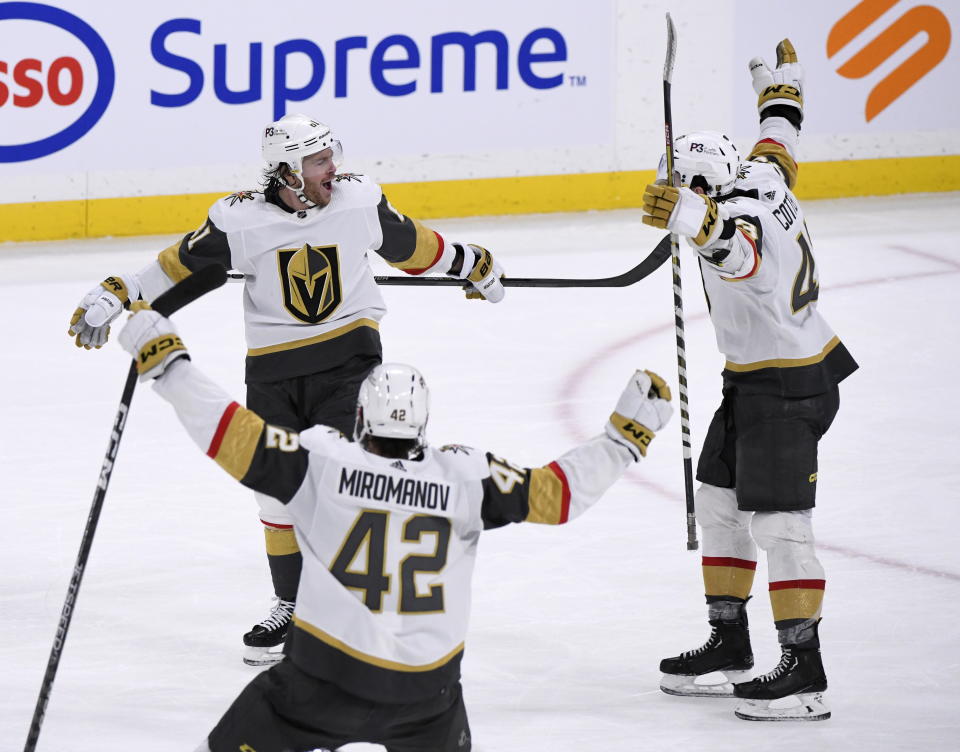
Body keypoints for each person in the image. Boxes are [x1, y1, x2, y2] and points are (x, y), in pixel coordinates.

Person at [114, 302, 674, 752]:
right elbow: (558, 496)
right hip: (425, 697)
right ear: (424, 424)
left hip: (319, 686)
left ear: (360, 418)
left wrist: (168, 364)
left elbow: (231, 435)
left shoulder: (323, 464)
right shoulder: (464, 476)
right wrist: (623, 440)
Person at [66, 114, 507, 666]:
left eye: (331, 156)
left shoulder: (357, 202)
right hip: (272, 373)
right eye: (319, 161)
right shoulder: (238, 220)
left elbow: (415, 247)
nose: (333, 168)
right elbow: (176, 267)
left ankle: (351, 612)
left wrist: (473, 263)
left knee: (343, 483)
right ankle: (291, 604)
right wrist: (119, 291)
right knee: (274, 493)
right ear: (287, 172)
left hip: (350, 360)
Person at [641, 40, 858, 721]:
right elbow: (779, 139)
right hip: (755, 380)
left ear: (707, 187)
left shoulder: (746, 217)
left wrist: (693, 223)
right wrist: (781, 92)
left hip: (787, 388)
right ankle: (729, 643)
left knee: (782, 526)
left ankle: (805, 673)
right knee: (719, 503)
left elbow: (738, 255)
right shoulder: (760, 175)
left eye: (686, 186)